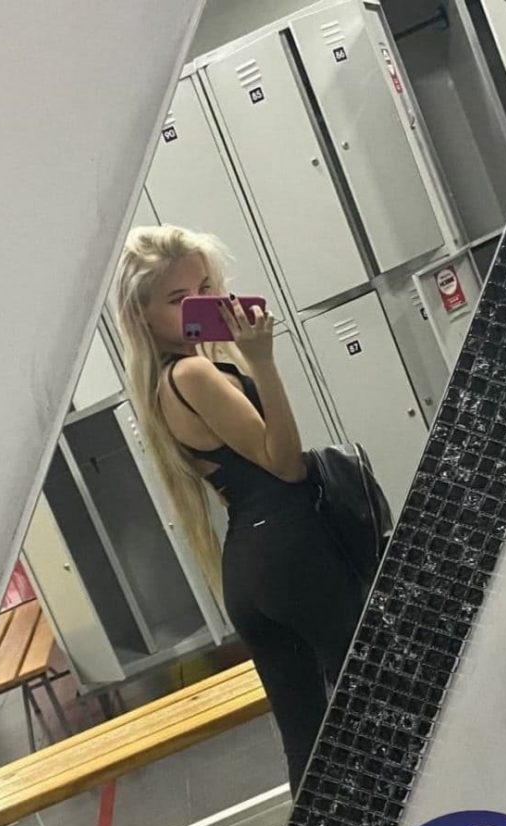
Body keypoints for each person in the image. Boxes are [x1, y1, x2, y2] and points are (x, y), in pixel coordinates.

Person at [115, 224, 365, 793]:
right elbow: (287, 465)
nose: (201, 303)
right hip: (292, 550)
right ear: (142, 316)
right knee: (375, 695)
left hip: (250, 565)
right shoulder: (195, 373)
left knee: (307, 743)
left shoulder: (164, 386)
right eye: (179, 299)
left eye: (206, 288)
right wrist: (262, 361)